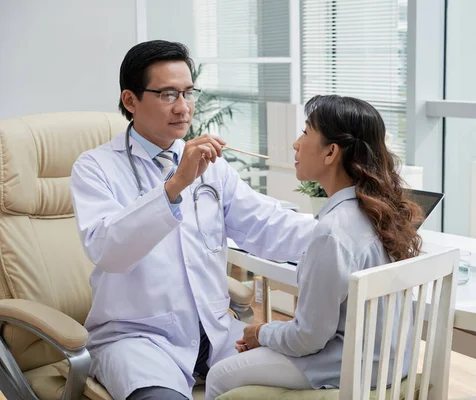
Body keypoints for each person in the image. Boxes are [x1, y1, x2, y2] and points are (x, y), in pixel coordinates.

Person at [70, 40, 316, 400]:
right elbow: (108, 249)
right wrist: (176, 185)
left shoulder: (210, 167)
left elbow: (265, 222)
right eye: (169, 94)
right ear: (130, 100)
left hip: (217, 333)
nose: (184, 108)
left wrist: (343, 232)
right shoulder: (95, 168)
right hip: (139, 340)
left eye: (188, 92)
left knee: (298, 383)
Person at [205, 95, 424, 399]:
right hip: (390, 365)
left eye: (306, 133)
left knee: (218, 376)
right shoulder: (380, 215)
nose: (296, 144)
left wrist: (260, 333)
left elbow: (308, 338)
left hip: (346, 367)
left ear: (331, 152)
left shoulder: (331, 233)